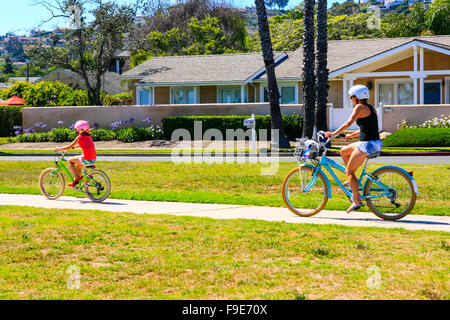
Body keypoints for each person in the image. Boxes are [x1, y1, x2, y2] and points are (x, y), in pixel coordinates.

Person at [325, 85, 382, 213]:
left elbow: (348, 122)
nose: (351, 100)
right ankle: (351, 181)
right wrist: (352, 135)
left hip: (367, 144)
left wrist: (333, 133)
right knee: (344, 152)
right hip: (374, 142)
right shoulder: (371, 108)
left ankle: (356, 201)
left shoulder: (359, 107)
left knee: (349, 172)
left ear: (356, 98)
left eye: (351, 97)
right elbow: (369, 127)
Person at [56, 120, 97, 187]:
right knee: (78, 166)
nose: (76, 131)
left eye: (77, 130)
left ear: (80, 130)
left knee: (70, 160)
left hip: (86, 158)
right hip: (93, 158)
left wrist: (59, 149)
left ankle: (76, 177)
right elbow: (84, 145)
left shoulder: (79, 138)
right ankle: (78, 183)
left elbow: (68, 147)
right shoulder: (89, 136)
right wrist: (75, 147)